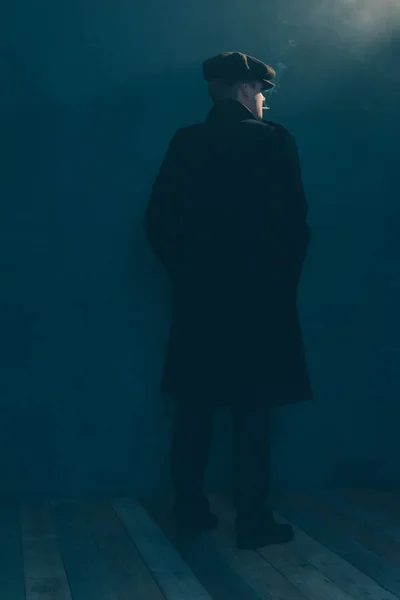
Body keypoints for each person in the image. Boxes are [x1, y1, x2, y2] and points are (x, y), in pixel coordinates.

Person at [144, 51, 312, 550]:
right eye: (261, 90)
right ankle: (253, 519)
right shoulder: (274, 140)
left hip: (200, 300)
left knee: (194, 406)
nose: (262, 99)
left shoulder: (186, 142)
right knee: (253, 410)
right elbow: (294, 226)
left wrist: (187, 276)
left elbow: (157, 223)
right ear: (244, 89)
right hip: (260, 301)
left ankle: (190, 510)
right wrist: (278, 284)